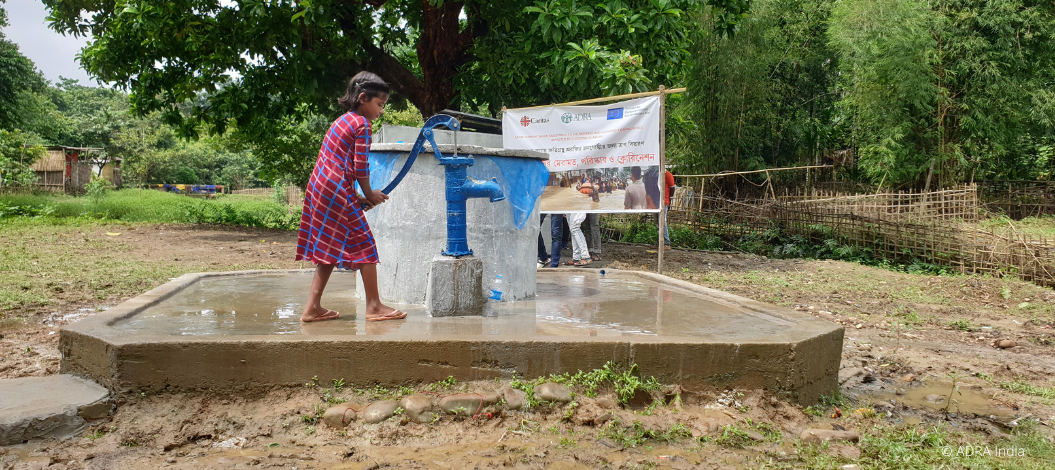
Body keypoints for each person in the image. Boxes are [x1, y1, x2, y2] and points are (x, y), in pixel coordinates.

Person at [295, 71, 406, 323]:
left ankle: (312, 308)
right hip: (336, 189)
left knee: (329, 247)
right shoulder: (362, 124)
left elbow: (334, 164)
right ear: (363, 98)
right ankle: (374, 306)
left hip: (321, 187)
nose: (381, 111)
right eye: (379, 105)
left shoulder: (341, 121)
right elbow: (359, 166)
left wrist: (354, 195)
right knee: (365, 245)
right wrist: (369, 194)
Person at [664, 169, 676, 248]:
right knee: (657, 223)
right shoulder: (655, 173)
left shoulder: (667, 174)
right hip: (655, 201)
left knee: (662, 221)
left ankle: (667, 242)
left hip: (664, 201)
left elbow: (672, 188)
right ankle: (661, 241)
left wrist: (669, 199)